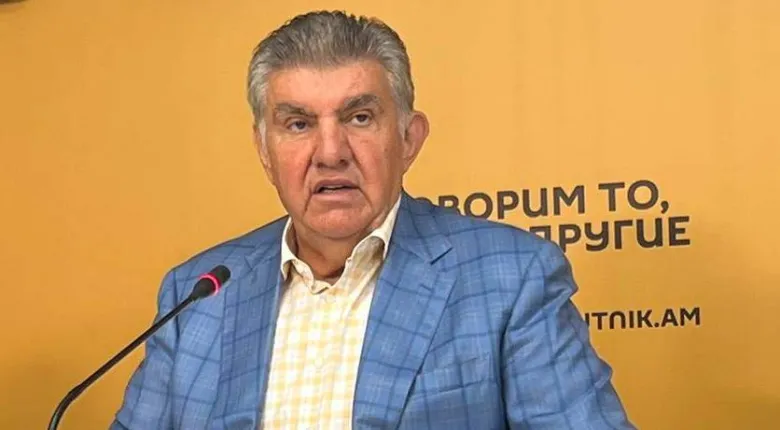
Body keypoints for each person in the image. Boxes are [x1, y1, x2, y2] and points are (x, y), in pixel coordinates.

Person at [111, 10, 634, 430]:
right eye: (298, 124)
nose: (330, 152)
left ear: (408, 139)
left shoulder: (512, 279)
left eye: (359, 118)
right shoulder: (198, 294)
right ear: (265, 151)